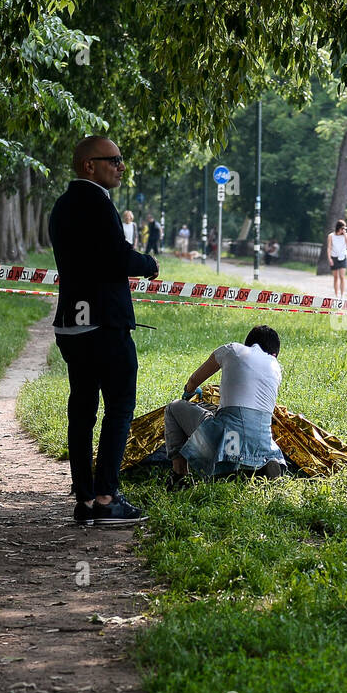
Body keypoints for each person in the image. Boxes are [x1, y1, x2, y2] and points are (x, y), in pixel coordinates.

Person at [48, 136, 160, 526]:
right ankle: (107, 498)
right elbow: (116, 258)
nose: (121, 166)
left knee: (81, 410)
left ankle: (83, 498)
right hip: (105, 325)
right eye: (113, 160)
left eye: (121, 159)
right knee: (119, 408)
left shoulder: (61, 206)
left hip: (72, 325)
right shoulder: (97, 203)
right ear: (88, 165)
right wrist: (148, 263)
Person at [165, 325, 286, 484]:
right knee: (250, 429)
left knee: (173, 408)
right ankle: (260, 462)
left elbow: (194, 380)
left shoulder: (233, 350)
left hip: (231, 437)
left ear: (247, 343)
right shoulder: (275, 366)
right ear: (274, 354)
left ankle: (180, 476)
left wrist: (189, 391)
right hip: (262, 442)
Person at [326, 219, 347, 297]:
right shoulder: (331, 236)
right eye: (343, 228)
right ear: (339, 228)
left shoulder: (346, 235)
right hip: (334, 257)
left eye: (345, 228)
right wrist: (329, 258)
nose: (344, 230)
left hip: (343, 257)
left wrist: (345, 235)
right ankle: (336, 295)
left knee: (342, 277)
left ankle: (342, 295)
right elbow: (329, 247)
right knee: (335, 277)